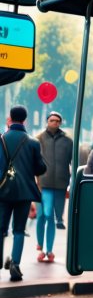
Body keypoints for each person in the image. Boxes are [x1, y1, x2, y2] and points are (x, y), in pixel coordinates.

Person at [0, 105, 47, 281]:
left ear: (10, 118)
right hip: (24, 192)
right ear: (25, 120)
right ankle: (15, 264)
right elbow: (40, 168)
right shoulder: (33, 142)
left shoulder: (1, 139)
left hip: (2, 191)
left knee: (1, 228)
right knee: (19, 229)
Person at [36, 111, 73, 262]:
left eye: (58, 121)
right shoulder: (39, 139)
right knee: (45, 215)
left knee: (56, 217)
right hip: (43, 184)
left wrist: (71, 184)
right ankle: (41, 245)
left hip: (61, 183)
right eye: (52, 120)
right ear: (47, 121)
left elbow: (73, 162)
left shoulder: (68, 141)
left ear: (60, 123)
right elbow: (34, 162)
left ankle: (48, 250)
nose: (55, 123)